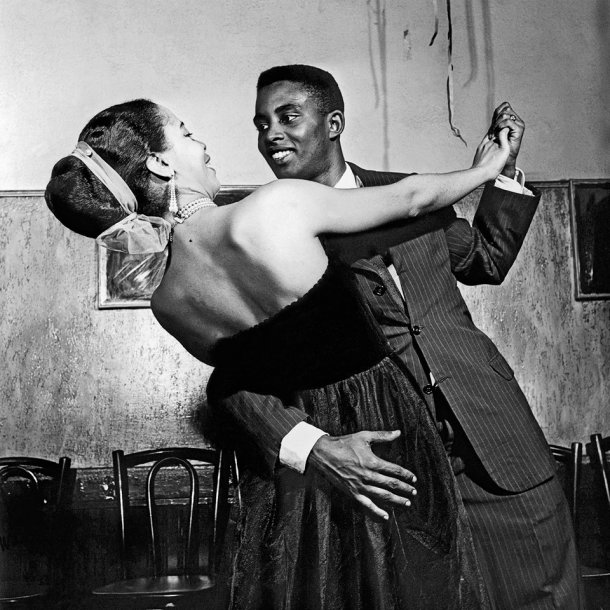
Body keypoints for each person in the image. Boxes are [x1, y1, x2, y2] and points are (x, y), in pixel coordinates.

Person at [44, 98, 509, 609]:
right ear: (159, 162)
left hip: (297, 472)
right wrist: (486, 169)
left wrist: (312, 446)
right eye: (186, 132)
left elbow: (235, 386)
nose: (202, 144)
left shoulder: (168, 302)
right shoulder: (276, 205)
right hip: (384, 429)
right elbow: (414, 199)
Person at [207, 65, 583, 609]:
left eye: (287, 117)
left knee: (547, 592)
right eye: (262, 124)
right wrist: (315, 449)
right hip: (389, 468)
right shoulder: (259, 232)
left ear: (334, 123)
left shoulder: (410, 193)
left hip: (495, 434)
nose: (271, 135)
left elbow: (485, 259)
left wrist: (504, 172)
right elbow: (234, 382)